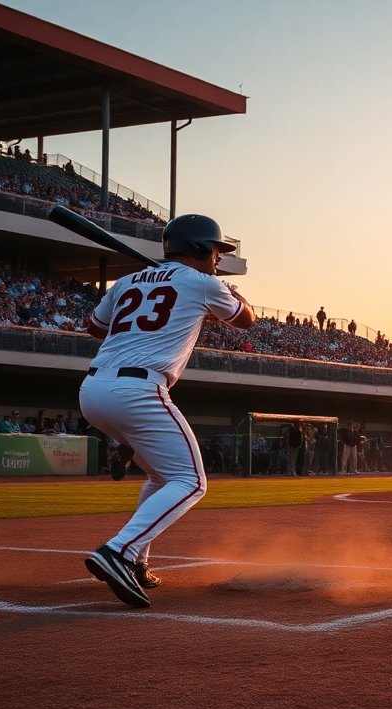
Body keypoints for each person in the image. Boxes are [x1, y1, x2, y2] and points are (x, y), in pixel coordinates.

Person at [79, 213, 254, 609]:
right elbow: (245, 320)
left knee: (162, 475)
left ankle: (137, 561)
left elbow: (94, 327)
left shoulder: (125, 282)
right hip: (139, 389)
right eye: (215, 251)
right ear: (197, 248)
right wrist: (223, 293)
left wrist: (153, 288)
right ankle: (118, 551)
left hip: (93, 389)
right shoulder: (202, 282)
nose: (218, 260)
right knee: (191, 481)